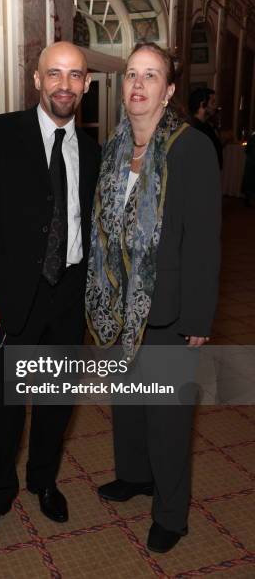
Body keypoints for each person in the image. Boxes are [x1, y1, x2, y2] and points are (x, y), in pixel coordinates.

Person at [0, 41, 100, 549]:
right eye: (54, 74)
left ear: (86, 84)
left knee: (56, 404)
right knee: (4, 407)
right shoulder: (0, 132)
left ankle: (43, 480)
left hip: (68, 297)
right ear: (37, 80)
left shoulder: (92, 148)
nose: (64, 84)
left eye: (75, 75)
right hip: (11, 299)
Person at [86, 43, 221, 553]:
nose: (138, 85)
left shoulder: (190, 147)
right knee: (127, 405)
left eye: (151, 76)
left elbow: (205, 239)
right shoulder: (117, 146)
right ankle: (135, 476)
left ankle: (171, 513)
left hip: (168, 309)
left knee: (166, 416)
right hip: (120, 305)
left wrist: (197, 315)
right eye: (131, 75)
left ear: (167, 91)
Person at [188, 87, 223, 169]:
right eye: (212, 102)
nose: (215, 106)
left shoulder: (207, 125)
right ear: (202, 104)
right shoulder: (194, 128)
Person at [241, 130, 255, 207]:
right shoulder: (252, 138)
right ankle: (248, 200)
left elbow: (247, 150)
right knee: (250, 182)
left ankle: (248, 200)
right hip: (252, 163)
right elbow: (248, 150)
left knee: (250, 182)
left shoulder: (252, 138)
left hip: (251, 163)